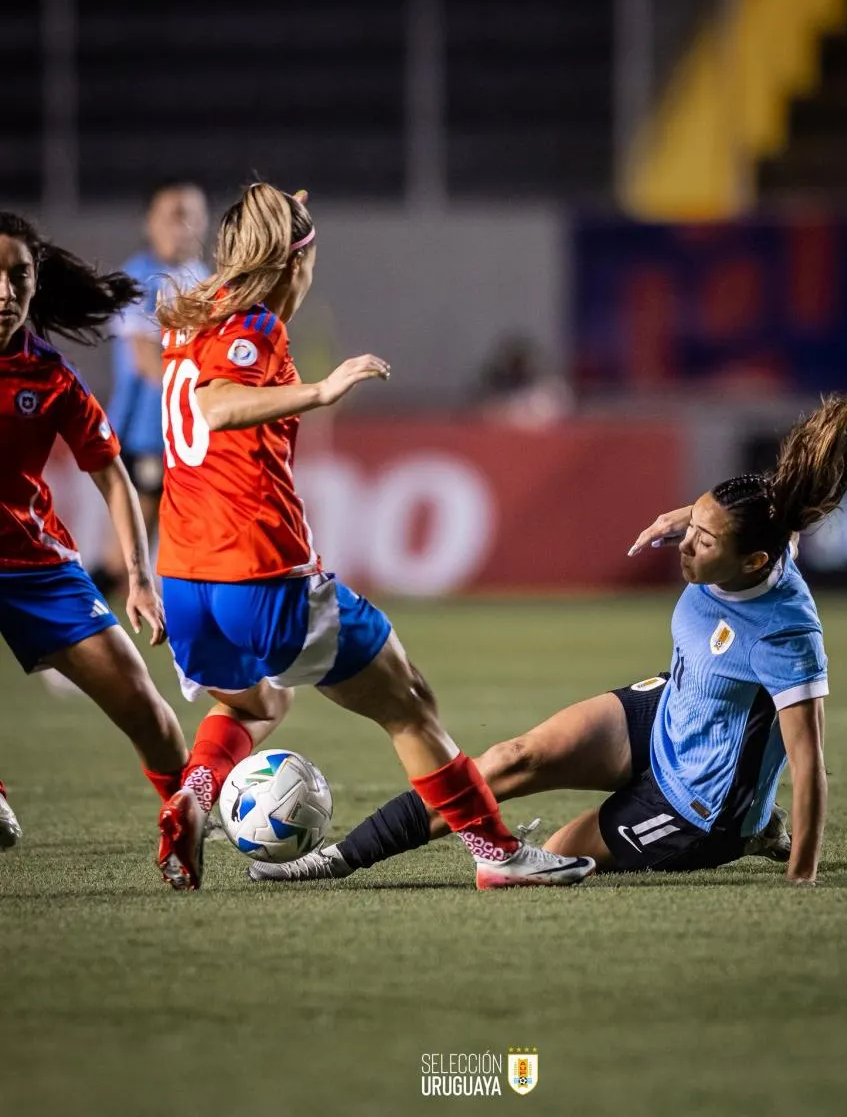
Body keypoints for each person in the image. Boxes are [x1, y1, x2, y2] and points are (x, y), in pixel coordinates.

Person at [249, 395, 847, 887]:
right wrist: (685, 519)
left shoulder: (786, 631)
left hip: (698, 803)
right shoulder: (750, 541)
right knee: (510, 757)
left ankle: (753, 829)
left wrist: (803, 878)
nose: (686, 544)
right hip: (669, 715)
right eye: (690, 523)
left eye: (703, 540)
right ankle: (334, 861)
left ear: (754, 563)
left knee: (542, 860)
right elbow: (766, 520)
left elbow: (807, 763)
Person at [153, 181, 594, 892]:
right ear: (297, 261)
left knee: (253, 701)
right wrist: (322, 391)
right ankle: (497, 854)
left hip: (186, 579)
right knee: (408, 701)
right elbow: (215, 405)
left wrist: (283, 215)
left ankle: (195, 797)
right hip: (259, 575)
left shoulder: (192, 319)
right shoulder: (254, 327)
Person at [0, 212, 190, 846]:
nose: (5, 292)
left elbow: (112, 478)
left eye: (18, 275)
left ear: (35, 282)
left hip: (34, 565)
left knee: (144, 707)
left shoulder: (49, 377)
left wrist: (139, 578)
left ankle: (188, 814)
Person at [90, 180, 209, 597]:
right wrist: (205, 399)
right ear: (150, 222)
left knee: (179, 543)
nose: (185, 225)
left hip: (193, 434)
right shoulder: (135, 281)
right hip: (147, 432)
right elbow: (144, 359)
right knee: (128, 550)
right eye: (174, 214)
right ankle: (66, 630)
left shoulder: (206, 280)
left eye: (193, 214)